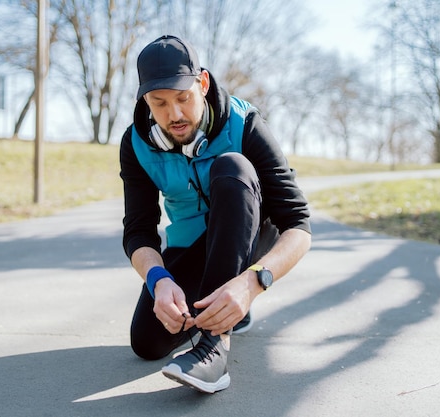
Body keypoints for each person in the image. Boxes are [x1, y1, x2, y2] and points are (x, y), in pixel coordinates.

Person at [119, 35, 312, 394]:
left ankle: (214, 346)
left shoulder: (245, 123)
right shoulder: (135, 144)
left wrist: (252, 282)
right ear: (144, 99)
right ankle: (226, 311)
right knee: (147, 342)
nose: (174, 114)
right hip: (194, 244)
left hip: (253, 237)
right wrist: (158, 280)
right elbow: (138, 232)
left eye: (183, 98)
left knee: (232, 167)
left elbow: (299, 226)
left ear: (203, 84)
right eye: (158, 103)